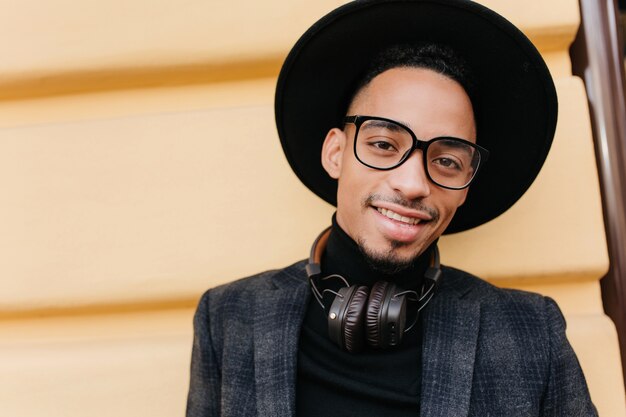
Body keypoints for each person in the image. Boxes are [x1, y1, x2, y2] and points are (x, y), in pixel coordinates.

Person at [186, 0, 597, 416]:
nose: (413, 184)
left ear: (465, 188)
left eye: (447, 161)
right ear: (335, 153)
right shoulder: (228, 319)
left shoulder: (531, 332)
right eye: (384, 145)